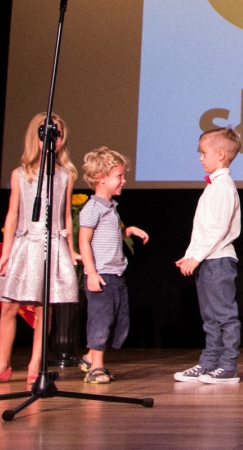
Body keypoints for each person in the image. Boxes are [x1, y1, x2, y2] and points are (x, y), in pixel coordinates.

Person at [0, 113, 81, 385]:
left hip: (51, 243)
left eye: (58, 133)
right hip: (24, 243)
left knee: (44, 308)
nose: (53, 138)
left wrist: (71, 247)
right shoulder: (20, 174)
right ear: (36, 136)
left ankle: (35, 365)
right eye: (47, 132)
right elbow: (12, 213)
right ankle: (1, 364)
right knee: (9, 306)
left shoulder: (66, 175)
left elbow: (65, 215)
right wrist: (6, 252)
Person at [174, 126, 242, 384]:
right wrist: (191, 254)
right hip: (207, 260)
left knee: (224, 315)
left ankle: (228, 366)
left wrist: (196, 257)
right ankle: (209, 362)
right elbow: (202, 229)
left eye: (204, 152)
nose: (200, 157)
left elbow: (218, 229)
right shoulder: (214, 186)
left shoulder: (224, 187)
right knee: (210, 318)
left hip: (219, 261)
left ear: (221, 154)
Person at [77, 147, 148, 384]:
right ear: (101, 178)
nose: (123, 181)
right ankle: (96, 367)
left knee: (117, 321)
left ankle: (89, 358)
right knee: (100, 320)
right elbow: (84, 241)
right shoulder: (92, 208)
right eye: (119, 176)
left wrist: (128, 230)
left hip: (116, 275)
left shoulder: (111, 209)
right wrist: (92, 273)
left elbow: (108, 236)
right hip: (102, 275)